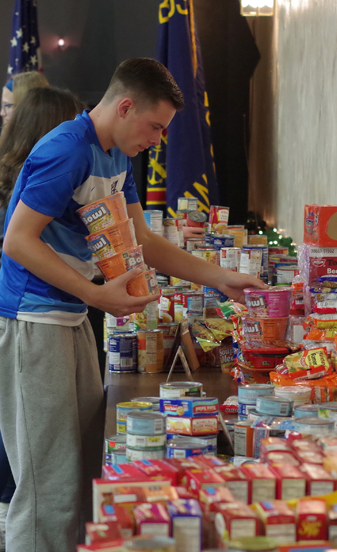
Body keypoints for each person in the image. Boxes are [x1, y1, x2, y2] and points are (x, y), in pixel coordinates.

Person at [0, 57, 266, 552]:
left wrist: (221, 278)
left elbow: (143, 240)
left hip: (71, 317)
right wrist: (94, 294)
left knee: (79, 470)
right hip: (31, 322)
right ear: (125, 107)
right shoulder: (64, 150)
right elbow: (17, 241)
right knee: (47, 487)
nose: (159, 140)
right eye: (156, 127)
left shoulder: (116, 154)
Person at [0, 86, 86, 552]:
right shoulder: (54, 164)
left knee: (49, 469)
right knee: (40, 479)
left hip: (53, 316)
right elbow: (18, 247)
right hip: (27, 318)